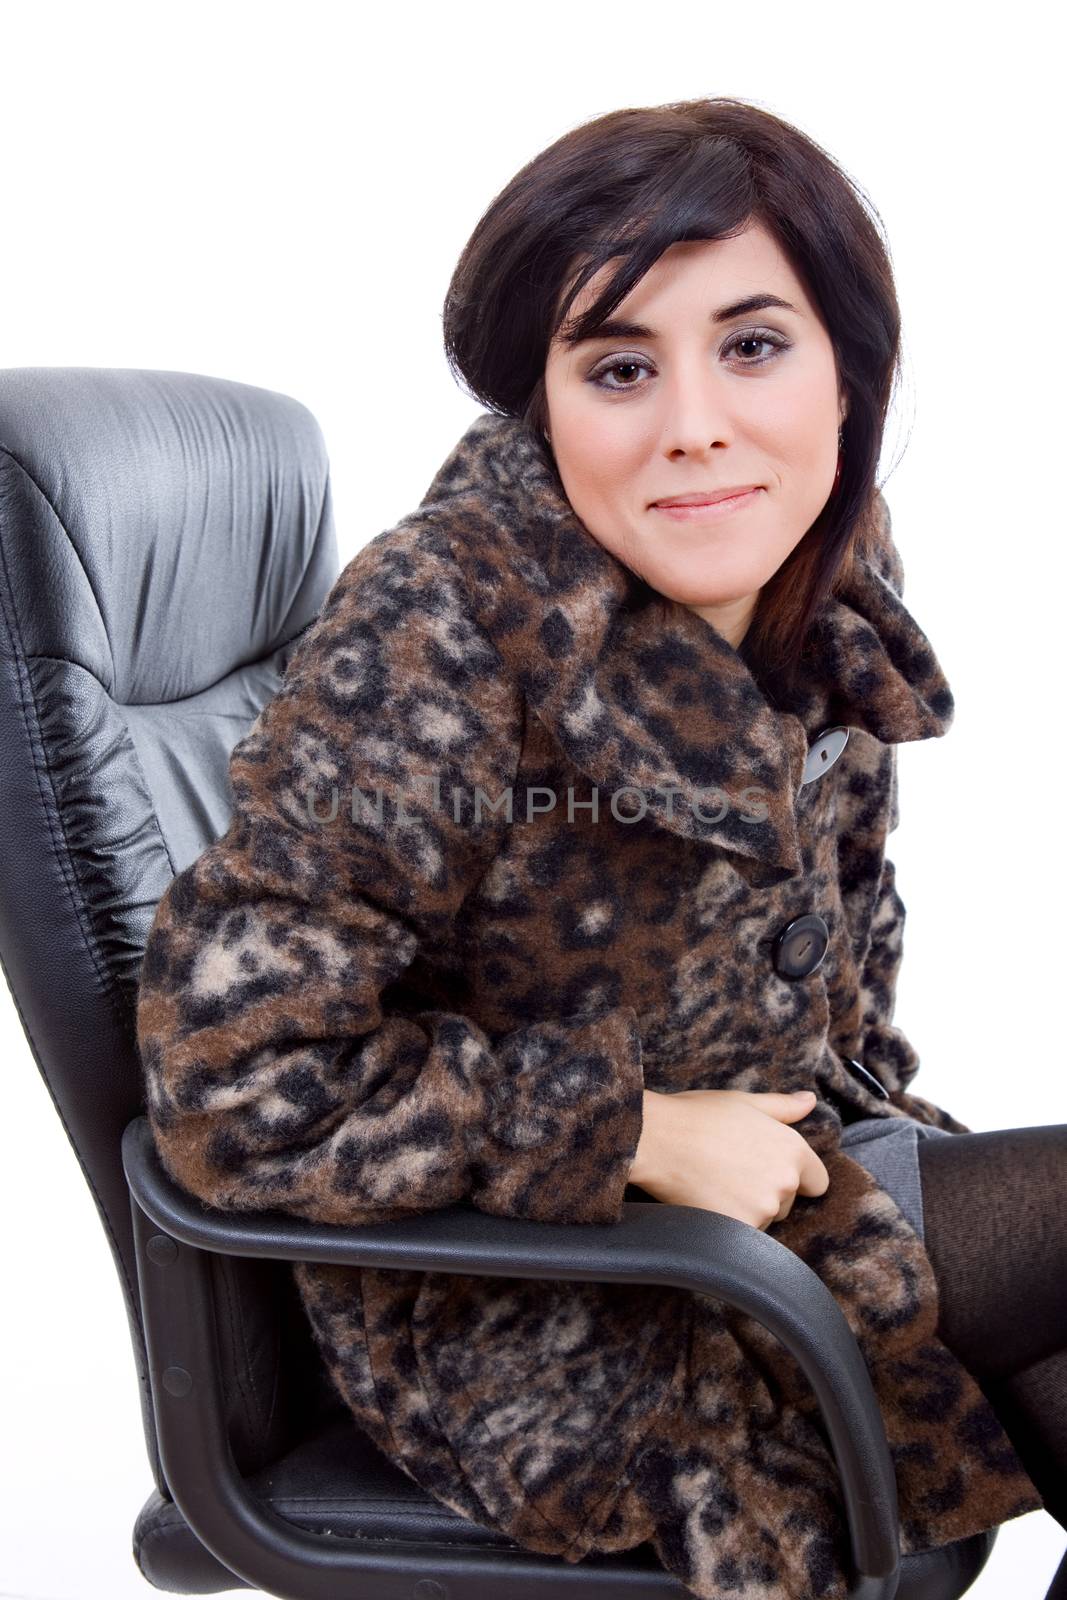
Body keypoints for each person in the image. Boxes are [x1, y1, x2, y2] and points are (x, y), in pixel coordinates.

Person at [136, 96, 1066, 1600]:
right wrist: (627, 1130)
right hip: (537, 1301)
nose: (693, 420)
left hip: (774, 1194)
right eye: (619, 365)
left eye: (752, 345)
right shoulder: (447, 622)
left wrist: (859, 1143)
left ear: (851, 375)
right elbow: (229, 1081)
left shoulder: (817, 560)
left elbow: (842, 938)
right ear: (544, 402)